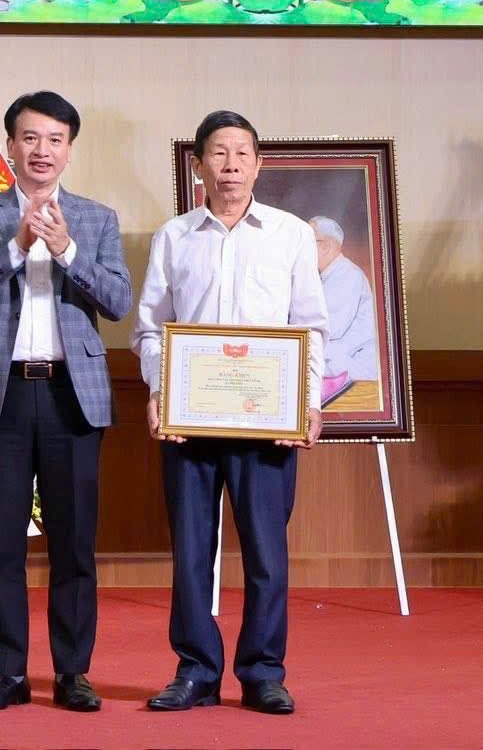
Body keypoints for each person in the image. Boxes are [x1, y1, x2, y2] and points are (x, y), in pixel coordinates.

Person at [0, 90, 132, 714]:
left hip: (71, 394)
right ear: (10, 145)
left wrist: (68, 250)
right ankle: (8, 673)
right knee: (1, 541)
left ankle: (73, 672)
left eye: (54, 139)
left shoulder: (97, 219)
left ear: (69, 149)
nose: (41, 150)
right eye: (30, 138)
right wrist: (16, 248)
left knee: (74, 542)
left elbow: (118, 302)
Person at [133, 110, 326, 717]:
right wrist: (160, 390)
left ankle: (263, 673)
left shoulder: (290, 235)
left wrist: (307, 401)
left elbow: (310, 327)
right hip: (189, 423)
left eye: (243, 153)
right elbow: (150, 329)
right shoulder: (173, 237)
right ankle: (196, 671)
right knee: (192, 552)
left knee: (267, 553)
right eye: (219, 153)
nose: (231, 165)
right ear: (199, 165)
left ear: (259, 165)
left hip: (268, 422)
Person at [311, 215, 380, 403]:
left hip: (352, 369)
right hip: (335, 361)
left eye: (306, 241)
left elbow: (328, 328)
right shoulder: (328, 275)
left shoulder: (347, 275)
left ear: (326, 246)